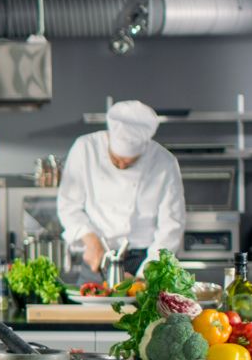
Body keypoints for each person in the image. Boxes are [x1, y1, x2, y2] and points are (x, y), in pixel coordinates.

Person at [57, 100, 185, 281]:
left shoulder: (165, 163)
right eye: (116, 160)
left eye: (131, 162)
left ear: (146, 144)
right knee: (87, 310)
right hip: (98, 256)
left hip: (144, 259)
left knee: (141, 309)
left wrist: (144, 277)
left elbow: (171, 226)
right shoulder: (85, 148)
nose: (122, 165)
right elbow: (67, 205)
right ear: (109, 138)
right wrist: (89, 238)